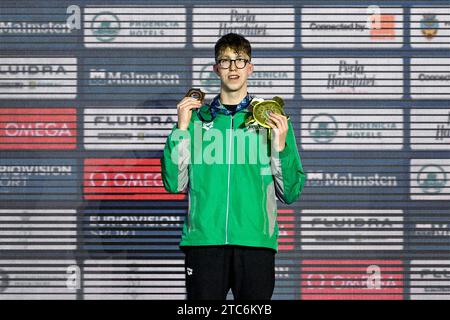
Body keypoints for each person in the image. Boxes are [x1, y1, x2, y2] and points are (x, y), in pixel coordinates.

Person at [160, 33, 306, 300]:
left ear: (250, 66)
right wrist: (181, 129)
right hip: (204, 243)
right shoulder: (194, 120)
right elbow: (174, 183)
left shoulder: (272, 120)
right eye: (225, 61)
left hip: (255, 243)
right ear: (216, 68)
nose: (233, 67)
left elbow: (291, 192)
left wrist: (281, 146)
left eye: (240, 60)